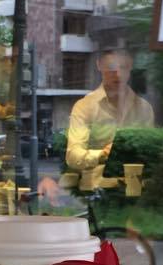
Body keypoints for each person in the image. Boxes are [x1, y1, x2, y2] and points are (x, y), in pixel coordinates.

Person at [66, 46, 154, 189]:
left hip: (135, 188)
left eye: (123, 67)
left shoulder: (144, 108)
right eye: (111, 68)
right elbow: (73, 155)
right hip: (98, 190)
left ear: (130, 67)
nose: (118, 74)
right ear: (99, 66)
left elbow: (149, 152)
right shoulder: (85, 106)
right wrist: (102, 154)